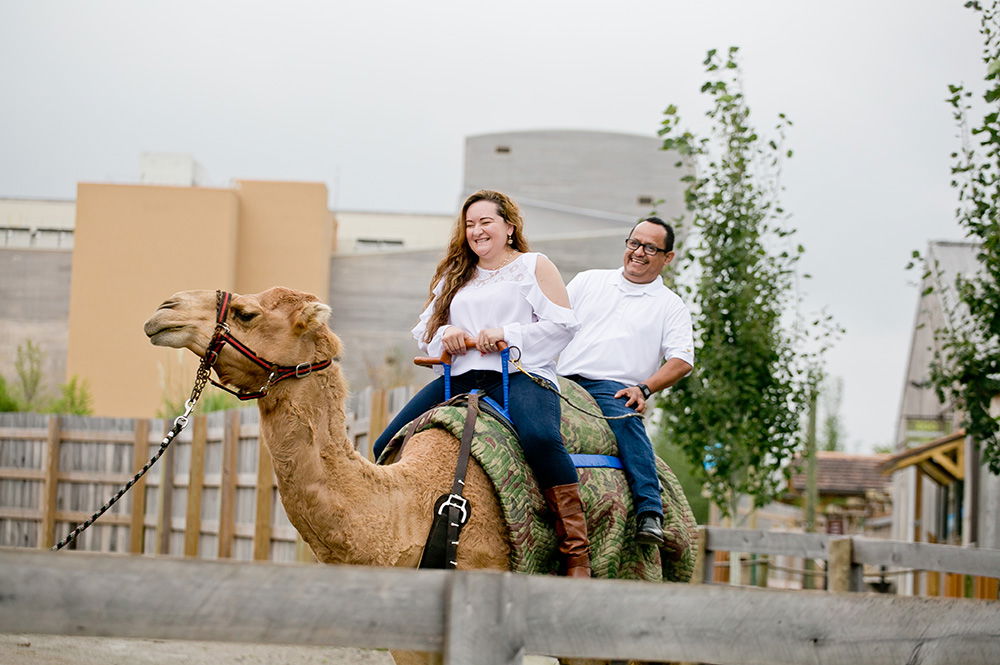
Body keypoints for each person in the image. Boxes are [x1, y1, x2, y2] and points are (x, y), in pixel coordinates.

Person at [372, 190, 591, 577]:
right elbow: (425, 331)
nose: (477, 231)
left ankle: (575, 551)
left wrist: (508, 334)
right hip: (460, 376)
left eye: (485, 222)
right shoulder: (456, 274)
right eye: (470, 224)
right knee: (386, 441)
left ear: (509, 227)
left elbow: (563, 326)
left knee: (540, 438)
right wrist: (449, 333)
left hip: (519, 374)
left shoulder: (533, 266)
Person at [557, 217, 694, 547]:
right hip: (559, 379)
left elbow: (682, 360)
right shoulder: (588, 282)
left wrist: (644, 388)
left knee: (626, 421)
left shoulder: (670, 306)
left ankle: (650, 510)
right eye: (634, 243)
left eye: (650, 247)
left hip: (613, 387)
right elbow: (552, 322)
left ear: (668, 257)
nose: (639, 252)